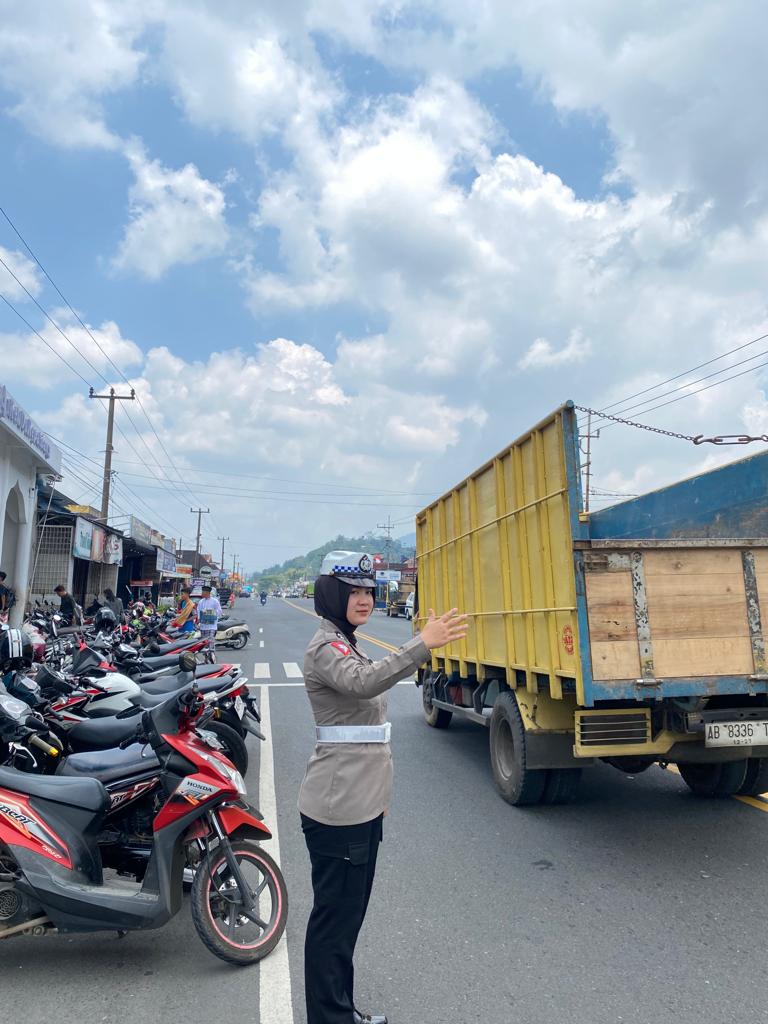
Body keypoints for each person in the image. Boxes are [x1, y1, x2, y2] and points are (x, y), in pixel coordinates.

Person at [299, 552, 468, 1024]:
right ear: (332, 594)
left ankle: (339, 1011)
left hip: (359, 804)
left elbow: (367, 735)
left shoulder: (346, 643)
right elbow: (365, 684)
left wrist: (379, 801)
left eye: (369, 592)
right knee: (334, 923)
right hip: (338, 809)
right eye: (353, 591)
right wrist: (421, 644)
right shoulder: (326, 648)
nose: (364, 600)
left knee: (346, 922)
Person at [196, 584, 223, 659]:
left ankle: (212, 658)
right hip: (203, 626)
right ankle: (206, 658)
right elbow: (198, 611)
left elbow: (219, 611)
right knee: (204, 644)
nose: (202, 593)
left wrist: (209, 613)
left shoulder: (215, 601)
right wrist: (199, 618)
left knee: (210, 643)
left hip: (211, 626)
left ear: (207, 593)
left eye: (203, 592)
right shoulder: (201, 601)